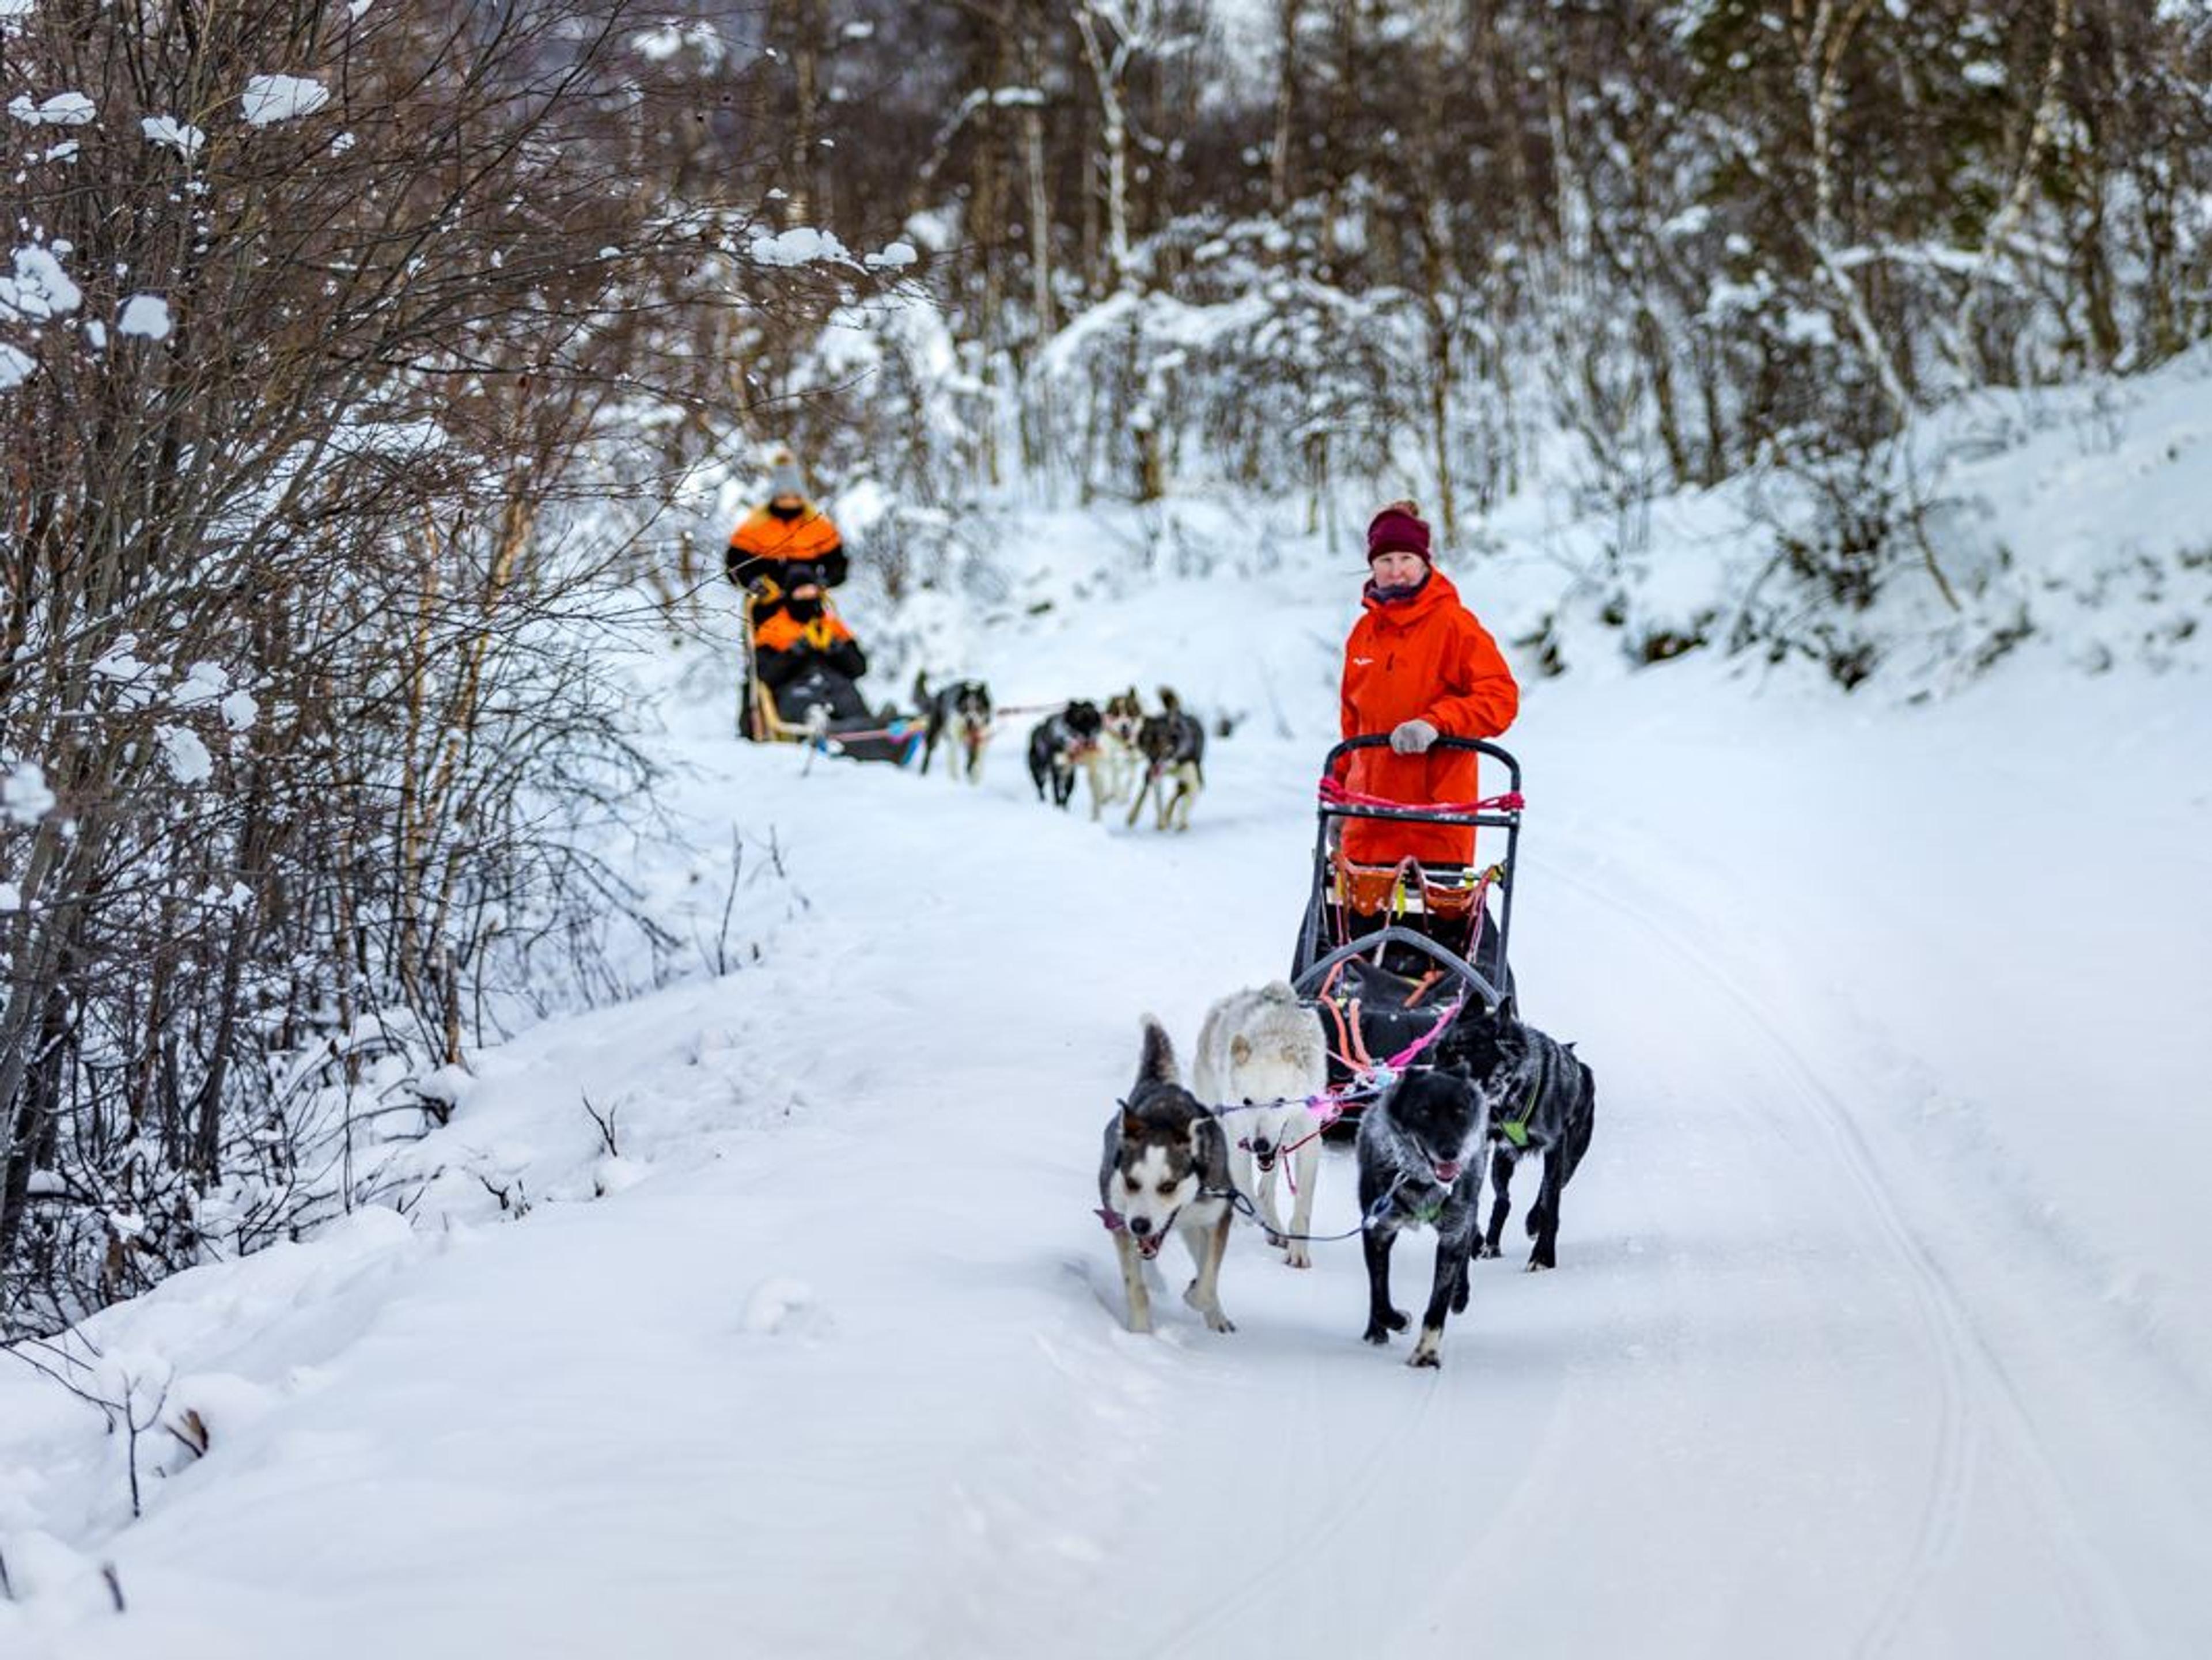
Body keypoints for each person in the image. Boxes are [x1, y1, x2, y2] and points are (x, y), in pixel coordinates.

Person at [1335, 500, 1519, 985]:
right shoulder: (1363, 636)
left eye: (1405, 560)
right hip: (1368, 823)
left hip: (1434, 820)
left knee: (1442, 953)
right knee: (1354, 949)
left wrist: (1438, 722)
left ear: (1425, 562)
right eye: (1385, 560)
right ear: (1372, 565)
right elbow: (1352, 728)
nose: (1396, 571)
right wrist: (1339, 799)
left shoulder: (1454, 626)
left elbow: (1500, 698)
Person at [726, 449, 847, 624]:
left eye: (795, 497)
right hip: (767, 603)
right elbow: (735, 564)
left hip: (808, 601)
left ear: (802, 498)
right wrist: (754, 584)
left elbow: (838, 563)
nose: (789, 502)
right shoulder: (754, 526)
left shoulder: (818, 525)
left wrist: (823, 582)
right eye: (784, 497)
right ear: (774, 497)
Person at [751, 568, 869, 728]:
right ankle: (827, 732)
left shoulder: (832, 625)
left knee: (850, 701)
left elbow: (860, 668)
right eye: (801, 591)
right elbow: (766, 676)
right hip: (796, 685)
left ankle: (875, 731)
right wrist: (793, 653)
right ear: (790, 595)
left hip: (835, 683)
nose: (807, 595)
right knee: (808, 705)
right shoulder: (772, 628)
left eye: (810, 590)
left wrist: (839, 650)